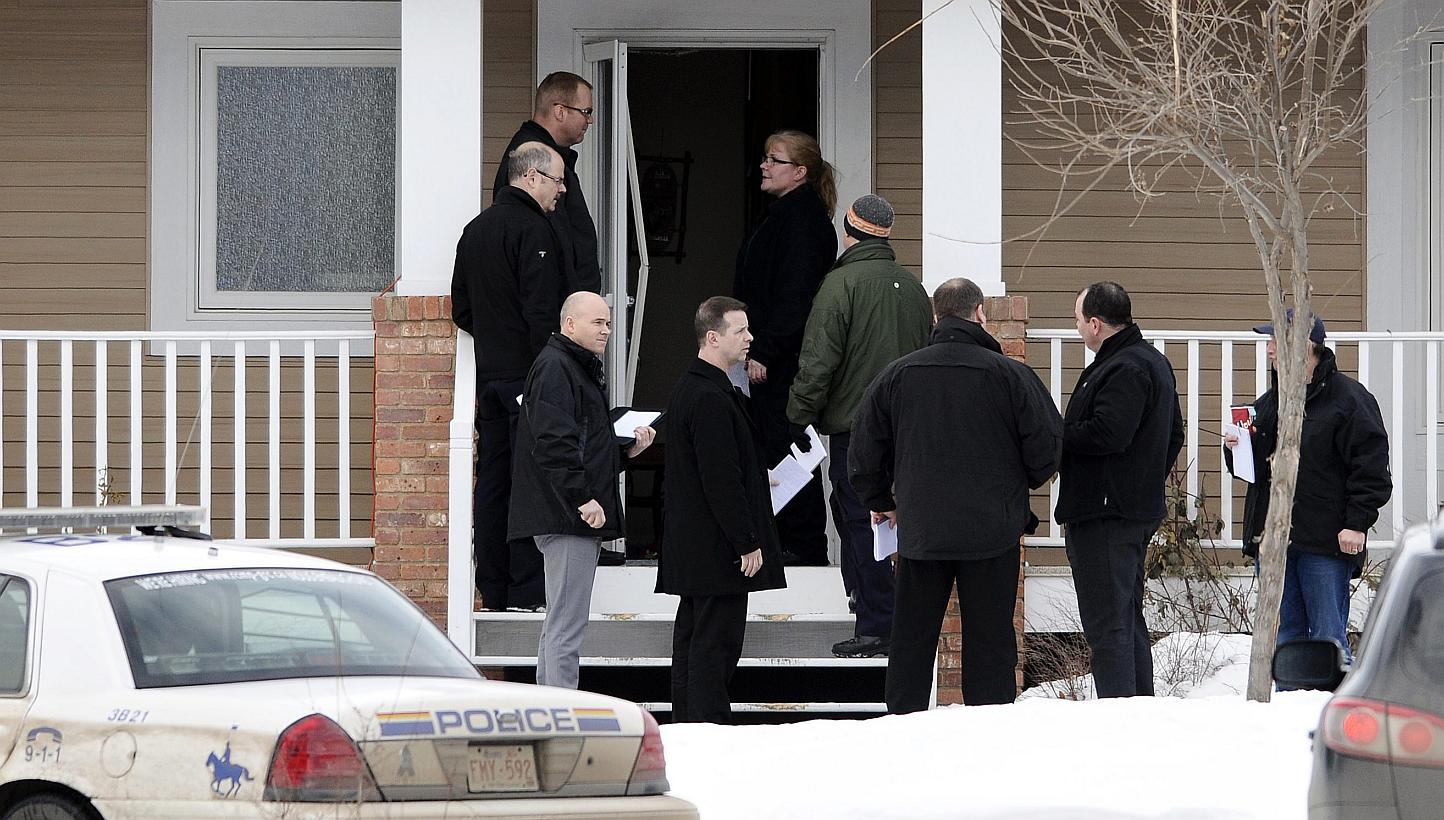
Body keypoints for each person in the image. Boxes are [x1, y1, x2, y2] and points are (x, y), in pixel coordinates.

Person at [850, 278, 1062, 712]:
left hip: (922, 530)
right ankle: (988, 729)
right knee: (990, 638)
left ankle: (904, 723)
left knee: (911, 637)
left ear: (935, 315)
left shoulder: (898, 375)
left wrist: (882, 500)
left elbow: (864, 450)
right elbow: (1048, 445)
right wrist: (1018, 485)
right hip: (993, 529)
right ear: (980, 313)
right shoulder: (1011, 375)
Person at [787, 193, 933, 658]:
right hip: (908, 432)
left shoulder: (840, 285)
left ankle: (874, 624)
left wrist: (796, 415)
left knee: (858, 521)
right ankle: (899, 619)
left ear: (848, 234)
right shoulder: (913, 289)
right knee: (897, 525)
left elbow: (818, 361)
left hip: (856, 430)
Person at [509, 291, 656, 689]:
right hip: (566, 516)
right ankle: (561, 715)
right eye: (598, 322)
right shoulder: (558, 367)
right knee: (567, 625)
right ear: (569, 324)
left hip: (563, 511)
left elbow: (584, 443)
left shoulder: (570, 366)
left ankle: (549, 706)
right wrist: (582, 498)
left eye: (608, 322)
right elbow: (554, 442)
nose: (606, 330)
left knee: (559, 621)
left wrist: (626, 451)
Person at [1225, 311, 1390, 665]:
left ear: (1304, 346)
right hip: (1275, 541)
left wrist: (1357, 522)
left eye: (1275, 340)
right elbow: (1254, 473)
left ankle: (1331, 711)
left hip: (1326, 541)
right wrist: (1236, 448)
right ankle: (1288, 709)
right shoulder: (1271, 403)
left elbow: (1371, 469)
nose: (1269, 348)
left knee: (1328, 637)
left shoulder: (1350, 400)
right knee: (1286, 638)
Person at [656, 296, 786, 723]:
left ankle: (688, 727)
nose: (750, 338)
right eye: (740, 331)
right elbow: (719, 479)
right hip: (717, 551)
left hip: (699, 548)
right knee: (714, 648)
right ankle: (707, 730)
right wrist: (746, 541)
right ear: (712, 338)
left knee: (693, 643)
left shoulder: (695, 388)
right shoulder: (709, 395)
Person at [451, 141, 569, 611]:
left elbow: (463, 311)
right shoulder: (534, 229)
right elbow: (542, 311)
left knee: (495, 479)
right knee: (531, 482)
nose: (562, 189)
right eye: (558, 179)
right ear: (532, 176)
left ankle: (494, 586)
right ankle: (526, 590)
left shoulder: (474, 231)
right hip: (530, 378)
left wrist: (495, 339)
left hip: (491, 380)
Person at [1055, 282, 1184, 698]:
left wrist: (1057, 434)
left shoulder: (1124, 367)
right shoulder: (1150, 362)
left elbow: (1108, 433)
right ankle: (1137, 712)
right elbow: (1175, 435)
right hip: (1128, 509)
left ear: (1095, 324)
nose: (1077, 329)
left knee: (1108, 625)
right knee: (1126, 618)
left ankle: (1119, 717)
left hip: (1106, 515)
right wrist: (1146, 479)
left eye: (1078, 321)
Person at [733, 129, 839, 566]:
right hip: (774, 359)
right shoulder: (786, 215)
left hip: (785, 365)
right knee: (772, 449)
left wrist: (765, 351)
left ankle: (803, 548)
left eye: (773, 160)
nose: (764, 165)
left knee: (787, 450)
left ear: (799, 172)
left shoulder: (804, 222)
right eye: (764, 157)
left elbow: (795, 298)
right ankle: (785, 542)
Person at [494, 71, 600, 295]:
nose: (589, 120)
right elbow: (549, 241)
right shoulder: (535, 159)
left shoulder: (550, 155)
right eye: (586, 112)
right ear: (560, 111)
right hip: (555, 311)